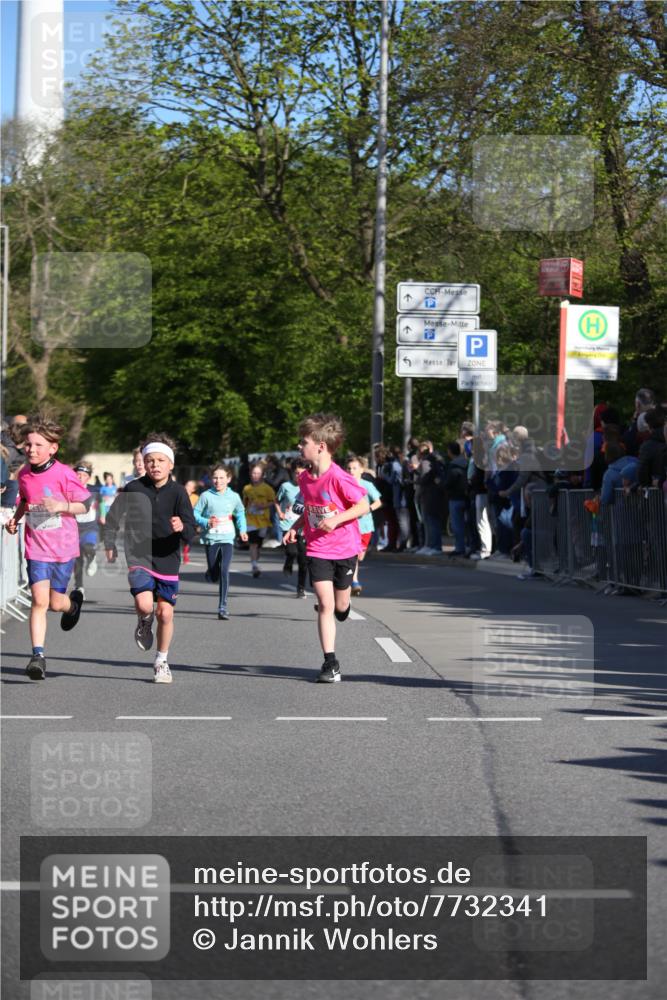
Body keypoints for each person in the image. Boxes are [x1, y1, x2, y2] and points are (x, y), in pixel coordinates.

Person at [103, 434, 196, 684]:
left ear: (171, 464)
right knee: (146, 605)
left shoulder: (178, 493)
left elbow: (191, 531)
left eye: (160, 460)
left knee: (165, 614)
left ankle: (161, 661)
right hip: (139, 554)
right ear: (144, 463)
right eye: (150, 460)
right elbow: (113, 517)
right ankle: (144, 620)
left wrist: (182, 527)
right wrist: (109, 543)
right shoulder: (134, 488)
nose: (155, 465)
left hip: (168, 558)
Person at [283, 413, 369, 683]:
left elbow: (363, 506)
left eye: (303, 442)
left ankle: (345, 606)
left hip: (345, 549)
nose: (299, 446)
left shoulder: (339, 478)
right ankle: (330, 663)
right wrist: (295, 526)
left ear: (320, 446)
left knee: (340, 605)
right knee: (324, 604)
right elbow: (310, 509)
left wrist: (336, 519)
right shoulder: (305, 479)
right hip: (318, 548)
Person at [5, 415, 91, 680]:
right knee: (39, 601)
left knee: (55, 603)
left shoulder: (64, 473)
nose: (31, 449)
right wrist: (16, 519)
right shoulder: (25, 474)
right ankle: (38, 656)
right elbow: (25, 500)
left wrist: (61, 506)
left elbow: (85, 504)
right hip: (36, 547)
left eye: (38, 445)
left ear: (53, 448)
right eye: (29, 444)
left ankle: (72, 606)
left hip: (63, 547)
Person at [194, 464, 248, 619]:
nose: (218, 481)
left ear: (228, 479)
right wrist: (206, 522)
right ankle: (211, 572)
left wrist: (242, 530)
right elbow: (195, 514)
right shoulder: (206, 496)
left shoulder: (234, 496)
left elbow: (240, 513)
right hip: (211, 538)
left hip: (227, 538)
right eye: (215, 478)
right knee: (214, 575)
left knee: (224, 570)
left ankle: (222, 607)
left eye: (222, 478)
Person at [345, 454, 382, 595]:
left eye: (354, 468)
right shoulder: (343, 485)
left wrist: (367, 509)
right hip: (349, 525)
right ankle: (354, 581)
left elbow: (378, 502)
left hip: (365, 526)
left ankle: (351, 579)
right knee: (353, 554)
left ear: (361, 470)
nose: (351, 471)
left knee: (360, 556)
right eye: (349, 468)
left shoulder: (367, 485)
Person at [275, 458, 309, 597]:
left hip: (304, 526)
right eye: (296, 473)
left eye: (302, 473)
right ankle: (288, 562)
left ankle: (301, 588)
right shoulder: (285, 486)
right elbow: (276, 500)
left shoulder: (309, 486)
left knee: (303, 559)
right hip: (288, 525)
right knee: (292, 552)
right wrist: (280, 513)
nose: (299, 476)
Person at [242, 462, 276, 578]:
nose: (255, 475)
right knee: (253, 543)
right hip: (250, 519)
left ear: (262, 475)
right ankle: (254, 565)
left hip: (263, 520)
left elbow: (273, 501)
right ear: (250, 474)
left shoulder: (267, 488)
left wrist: (263, 506)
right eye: (253, 473)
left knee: (258, 544)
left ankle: (256, 560)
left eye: (258, 473)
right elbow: (244, 502)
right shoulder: (247, 488)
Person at [72, 461, 100, 594]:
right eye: (78, 474)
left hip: (90, 526)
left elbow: (101, 503)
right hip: (74, 528)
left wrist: (103, 516)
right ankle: (79, 586)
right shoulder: (69, 489)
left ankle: (92, 558)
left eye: (84, 475)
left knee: (89, 546)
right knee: (77, 560)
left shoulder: (94, 490)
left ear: (88, 477)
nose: (80, 477)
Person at [444, 441, 470, 556]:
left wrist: (443, 485)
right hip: (467, 496)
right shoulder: (467, 463)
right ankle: (469, 546)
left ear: (450, 451)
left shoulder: (453, 466)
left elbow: (448, 482)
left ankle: (460, 548)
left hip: (455, 497)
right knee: (469, 524)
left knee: (457, 525)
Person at [182, 480, 200, 564]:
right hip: (180, 520)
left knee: (189, 539)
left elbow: (199, 511)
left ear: (193, 489)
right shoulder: (180, 495)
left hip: (191, 521)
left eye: (189, 485)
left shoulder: (196, 498)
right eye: (186, 484)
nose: (186, 486)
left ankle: (186, 553)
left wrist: (199, 524)